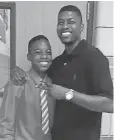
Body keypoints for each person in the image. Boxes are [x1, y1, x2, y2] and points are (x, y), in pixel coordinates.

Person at [11, 5, 113, 140]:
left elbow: (110, 104)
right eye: (60, 22)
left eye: (71, 22)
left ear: (81, 27)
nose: (65, 26)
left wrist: (68, 94)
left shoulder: (94, 58)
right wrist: (15, 71)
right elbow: (36, 75)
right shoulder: (57, 63)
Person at [0, 35, 55, 140]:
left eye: (48, 52)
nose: (44, 56)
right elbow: (6, 125)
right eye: (38, 52)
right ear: (29, 56)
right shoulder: (18, 83)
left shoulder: (53, 86)